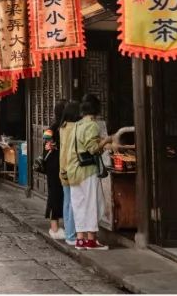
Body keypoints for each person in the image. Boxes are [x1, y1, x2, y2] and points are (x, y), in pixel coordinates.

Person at [66, 94, 112, 250]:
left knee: (79, 204)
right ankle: (91, 240)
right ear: (96, 109)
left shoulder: (77, 125)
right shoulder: (92, 125)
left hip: (73, 170)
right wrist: (107, 140)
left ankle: (80, 239)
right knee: (93, 203)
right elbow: (93, 148)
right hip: (87, 171)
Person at [57, 99, 81, 246]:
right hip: (72, 167)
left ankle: (68, 232)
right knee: (73, 202)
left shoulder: (63, 126)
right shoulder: (75, 128)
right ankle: (72, 235)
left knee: (67, 201)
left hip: (63, 167)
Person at [43, 100, 67, 239]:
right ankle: (54, 227)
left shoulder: (58, 126)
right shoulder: (54, 127)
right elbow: (46, 141)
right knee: (55, 194)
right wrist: (51, 145)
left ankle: (57, 226)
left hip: (58, 163)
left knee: (59, 194)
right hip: (55, 164)